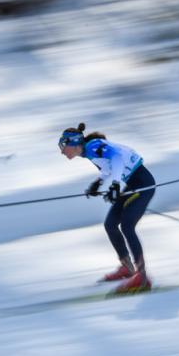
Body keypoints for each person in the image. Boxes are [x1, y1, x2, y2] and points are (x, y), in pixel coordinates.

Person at [59, 123, 155, 294]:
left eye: (63, 146)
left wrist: (116, 185)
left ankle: (142, 277)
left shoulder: (92, 146)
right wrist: (99, 182)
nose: (62, 151)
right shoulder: (89, 152)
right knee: (110, 224)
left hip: (142, 183)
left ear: (73, 143)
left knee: (127, 226)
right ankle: (127, 268)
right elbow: (108, 166)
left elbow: (117, 157)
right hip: (133, 183)